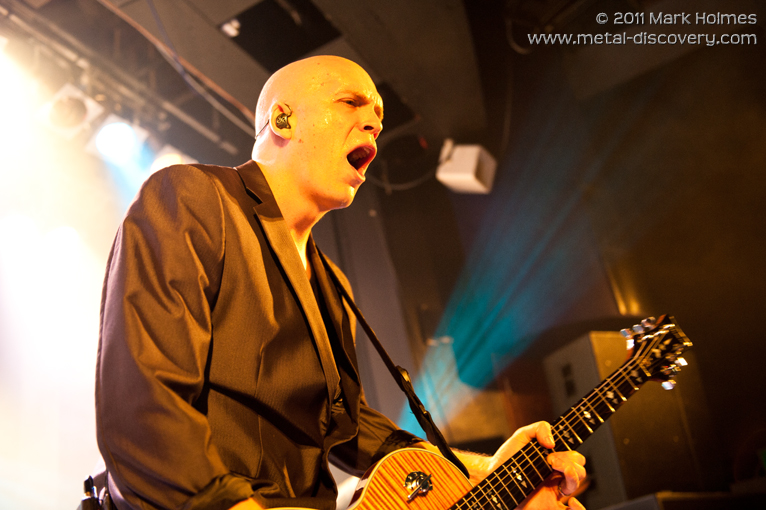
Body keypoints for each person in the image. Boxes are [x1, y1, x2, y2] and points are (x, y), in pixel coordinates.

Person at [95, 55, 586, 510]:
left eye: (379, 115)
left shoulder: (333, 286)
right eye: (351, 102)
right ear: (283, 120)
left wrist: (489, 470)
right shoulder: (194, 198)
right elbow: (141, 402)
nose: (374, 122)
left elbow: (351, 429)